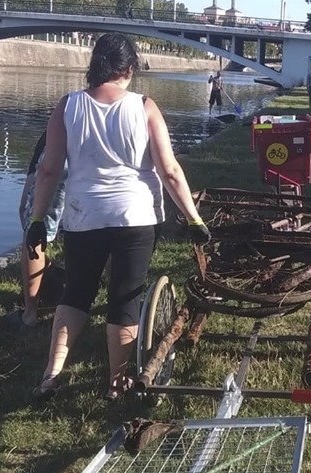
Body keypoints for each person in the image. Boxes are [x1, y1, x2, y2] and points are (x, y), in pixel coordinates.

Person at [25, 32, 210, 400]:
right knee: (124, 299)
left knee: (76, 293)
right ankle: (116, 382)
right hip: (136, 217)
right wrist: (194, 219)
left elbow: (48, 170)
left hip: (83, 217)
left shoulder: (67, 106)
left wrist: (37, 220)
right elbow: (169, 170)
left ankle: (51, 373)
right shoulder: (144, 106)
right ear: (129, 68)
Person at [3, 131, 66, 329]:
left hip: (62, 155)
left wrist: (31, 183)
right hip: (105, 158)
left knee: (36, 233)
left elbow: (53, 133)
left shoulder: (71, 106)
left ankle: (30, 314)